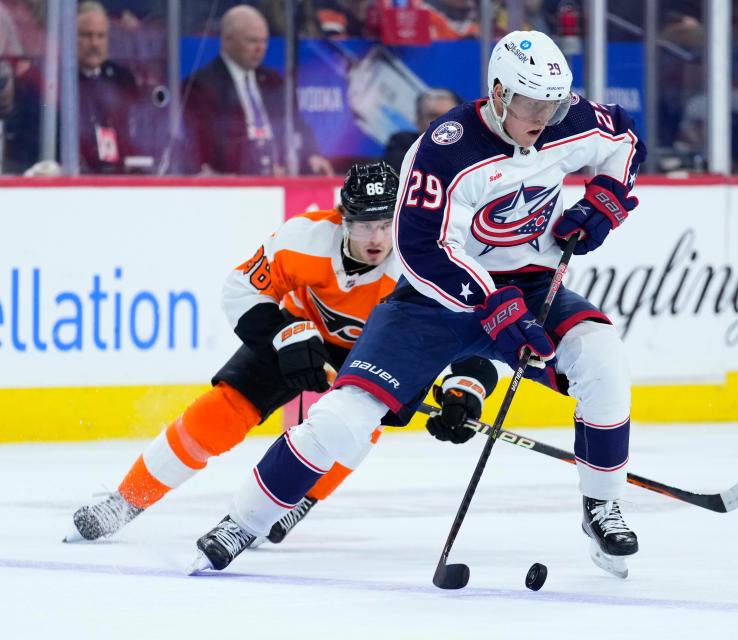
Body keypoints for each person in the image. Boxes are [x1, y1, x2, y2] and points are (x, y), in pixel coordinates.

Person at [191, 30, 645, 579]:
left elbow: (624, 139)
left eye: (553, 104)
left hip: (531, 288)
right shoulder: (443, 151)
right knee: (342, 419)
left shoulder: (565, 119)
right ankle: (244, 520)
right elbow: (421, 250)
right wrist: (492, 307)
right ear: (499, 94)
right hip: (434, 300)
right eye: (531, 104)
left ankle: (600, 507)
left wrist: (606, 197)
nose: (544, 116)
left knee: (601, 358)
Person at [65, 161, 497, 544]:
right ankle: (126, 501)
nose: (377, 238)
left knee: (351, 430)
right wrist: (283, 334)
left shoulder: (420, 263)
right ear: (343, 218)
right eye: (365, 224)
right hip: (299, 331)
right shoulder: (304, 239)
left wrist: (465, 388)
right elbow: (240, 289)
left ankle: (296, 500)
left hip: (378, 352)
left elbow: (466, 330)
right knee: (221, 412)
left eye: (387, 224)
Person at [177, 5, 334, 176]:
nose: (260, 48)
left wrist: (311, 154)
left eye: (264, 41)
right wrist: (254, 164)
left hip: (281, 176)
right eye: (252, 41)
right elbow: (210, 144)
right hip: (234, 181)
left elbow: (296, 124)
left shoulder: (274, 81)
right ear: (227, 40)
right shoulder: (202, 86)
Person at [74, 1, 141, 174]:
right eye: (87, 35)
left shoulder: (124, 80)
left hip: (118, 178)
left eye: (100, 36)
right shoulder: (59, 82)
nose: (94, 43)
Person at [382, 88, 462, 173]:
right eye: (433, 116)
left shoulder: (473, 149)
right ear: (418, 121)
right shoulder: (403, 144)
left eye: (449, 115)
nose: (442, 122)